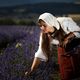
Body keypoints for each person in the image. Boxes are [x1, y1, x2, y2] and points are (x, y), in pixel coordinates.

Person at [25, 13, 80, 80]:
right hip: (63, 53)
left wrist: (69, 37)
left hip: (77, 49)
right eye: (40, 25)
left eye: (44, 25)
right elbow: (41, 52)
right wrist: (32, 70)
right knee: (66, 76)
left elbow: (78, 32)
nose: (42, 28)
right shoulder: (44, 35)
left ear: (50, 23)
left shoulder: (64, 22)